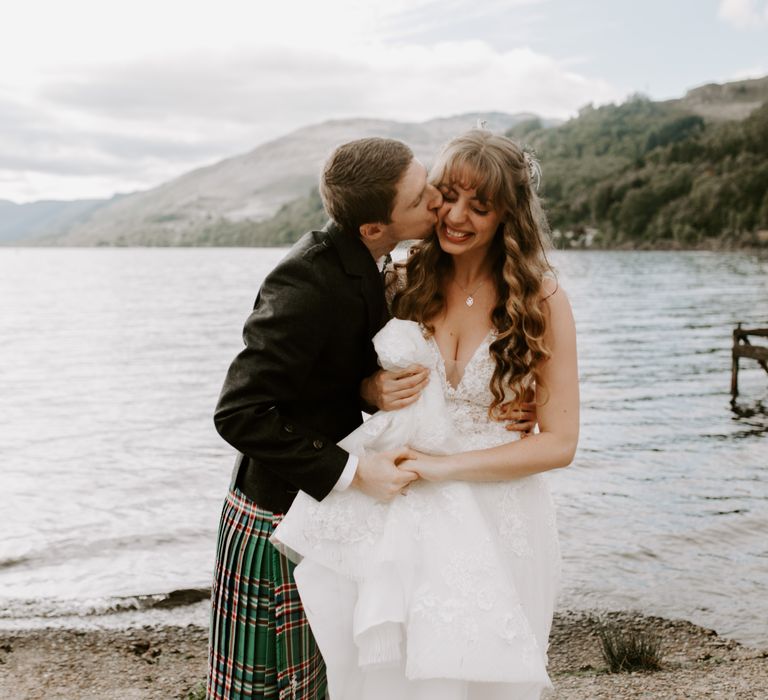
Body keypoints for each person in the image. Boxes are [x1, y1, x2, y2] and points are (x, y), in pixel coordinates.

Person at [272, 128, 579, 700]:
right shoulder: (401, 282)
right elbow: (339, 379)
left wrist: (442, 467)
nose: (455, 217)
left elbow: (559, 443)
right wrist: (370, 386)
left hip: (501, 515)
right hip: (402, 513)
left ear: (508, 215)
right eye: (448, 195)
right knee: (394, 675)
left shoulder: (540, 299)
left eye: (480, 206)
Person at [206, 137, 441, 700]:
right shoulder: (306, 279)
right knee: (267, 691)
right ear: (373, 228)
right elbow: (239, 412)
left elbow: (321, 371)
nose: (437, 199)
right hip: (275, 517)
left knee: (316, 683)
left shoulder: (368, 260)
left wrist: (367, 386)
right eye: (419, 197)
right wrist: (356, 472)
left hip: (323, 515)